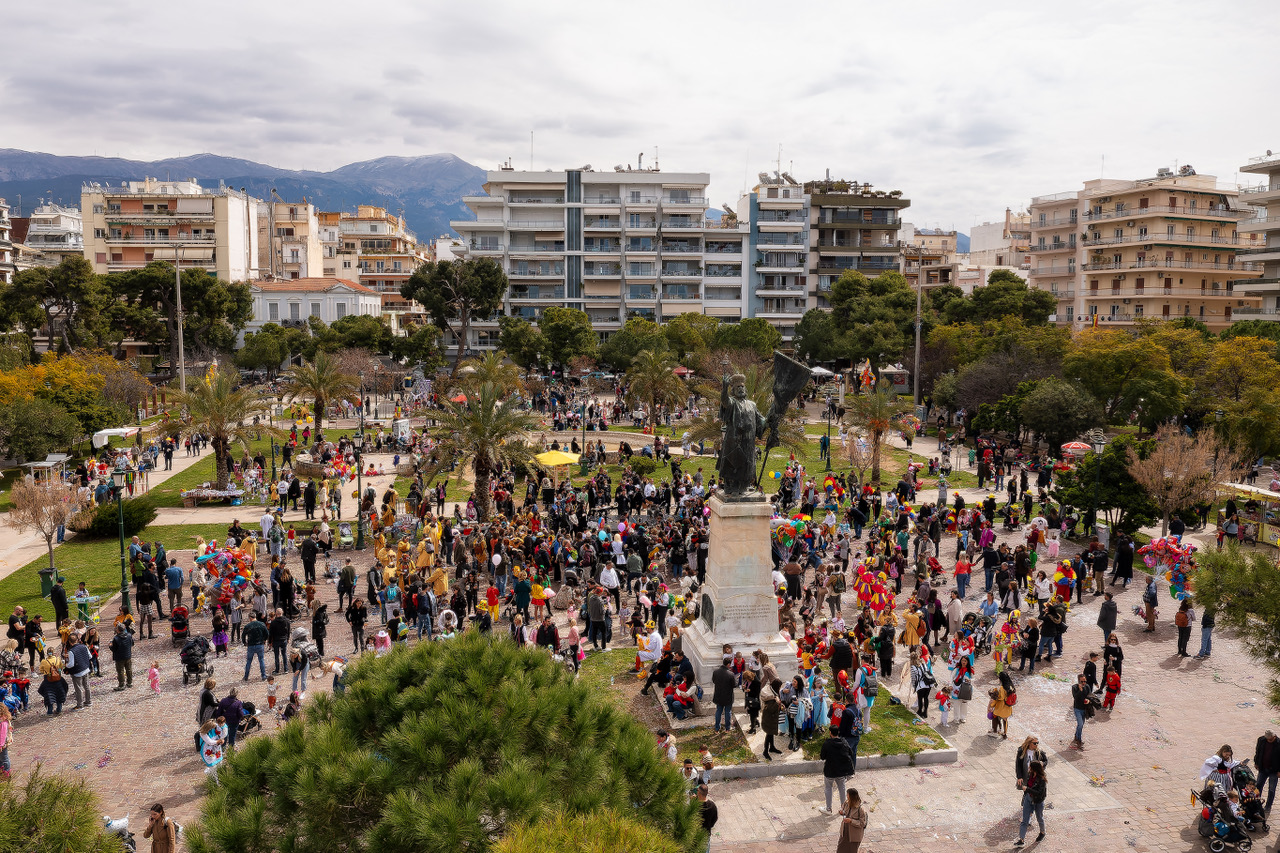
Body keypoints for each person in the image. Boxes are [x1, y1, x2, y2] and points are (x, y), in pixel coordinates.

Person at [818, 725, 856, 815]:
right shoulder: (844, 742)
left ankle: (828, 809)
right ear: (838, 732)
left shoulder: (827, 743)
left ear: (830, 733)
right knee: (842, 788)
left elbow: (822, 757)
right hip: (842, 771)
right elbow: (851, 752)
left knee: (828, 788)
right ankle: (843, 809)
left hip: (830, 771)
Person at [1014, 760, 1047, 846]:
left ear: (1034, 769)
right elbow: (1028, 785)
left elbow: (1040, 793)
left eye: (1030, 767)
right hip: (1028, 799)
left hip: (1038, 802)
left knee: (1039, 818)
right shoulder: (1030, 775)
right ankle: (1021, 840)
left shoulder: (1042, 780)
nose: (1029, 768)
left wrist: (1027, 789)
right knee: (1024, 820)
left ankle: (1042, 832)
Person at [1255, 730, 1280, 812]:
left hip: (1274, 770)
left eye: (1270, 739)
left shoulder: (1279, 743)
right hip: (1263, 768)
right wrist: (1256, 762)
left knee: (1271, 789)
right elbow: (1258, 752)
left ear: (1274, 737)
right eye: (1267, 739)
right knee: (1258, 785)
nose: (1268, 740)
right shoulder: (1261, 740)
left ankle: (1268, 806)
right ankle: (1256, 803)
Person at [711, 655, 736, 734]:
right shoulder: (731, 674)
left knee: (719, 711)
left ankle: (717, 728)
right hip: (728, 696)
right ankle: (727, 728)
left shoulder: (716, 672)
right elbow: (734, 685)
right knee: (727, 712)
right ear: (728, 664)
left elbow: (714, 681)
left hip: (718, 695)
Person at [837, 788, 868, 853]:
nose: (847, 797)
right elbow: (843, 809)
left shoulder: (860, 809)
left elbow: (862, 823)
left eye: (848, 796)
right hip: (844, 833)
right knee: (840, 850)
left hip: (854, 837)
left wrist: (851, 821)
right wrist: (841, 812)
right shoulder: (846, 803)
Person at [242, 611, 269, 681]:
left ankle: (246, 676)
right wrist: (264, 640)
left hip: (251, 645)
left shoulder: (247, 626)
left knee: (249, 661)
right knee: (261, 660)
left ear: (250, 618)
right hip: (260, 644)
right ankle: (263, 675)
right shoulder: (262, 624)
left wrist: (245, 643)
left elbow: (243, 635)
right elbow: (267, 633)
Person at [109, 623, 133, 690]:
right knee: (129, 669)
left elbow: (114, 649)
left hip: (119, 657)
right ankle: (129, 682)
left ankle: (121, 685)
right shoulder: (129, 635)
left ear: (118, 630)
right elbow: (132, 643)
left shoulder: (116, 638)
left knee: (120, 671)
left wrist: (110, 645)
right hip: (128, 655)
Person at [1070, 672, 1091, 749]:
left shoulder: (1087, 686)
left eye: (1084, 681)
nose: (1083, 683)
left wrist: (1088, 700)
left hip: (1084, 708)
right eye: (1082, 681)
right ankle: (1079, 739)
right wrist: (1080, 690)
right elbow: (1075, 697)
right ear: (1079, 681)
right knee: (1080, 724)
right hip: (1077, 708)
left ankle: (1076, 735)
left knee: (1081, 725)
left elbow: (1090, 695)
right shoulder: (1074, 687)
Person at [697, 783, 717, 848]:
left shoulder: (696, 807)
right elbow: (715, 819)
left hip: (696, 833)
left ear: (699, 793)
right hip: (706, 832)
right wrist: (709, 826)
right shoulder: (712, 805)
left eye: (697, 790)